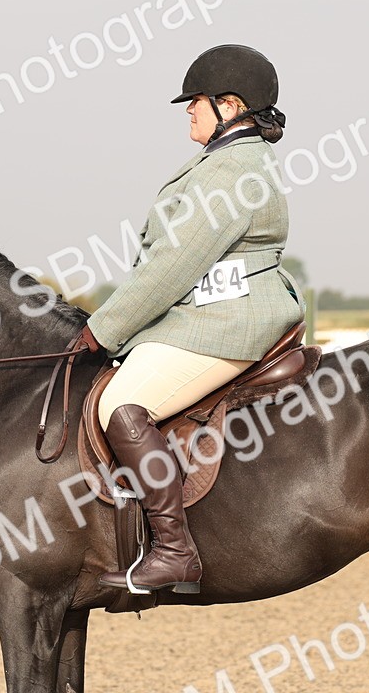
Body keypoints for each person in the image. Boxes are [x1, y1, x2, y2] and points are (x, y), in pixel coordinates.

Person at [74, 44, 305, 594]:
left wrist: (101, 330)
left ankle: (176, 552)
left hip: (226, 321)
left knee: (119, 405)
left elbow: (169, 270)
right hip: (209, 315)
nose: (188, 110)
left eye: (195, 101)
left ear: (230, 105)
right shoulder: (225, 162)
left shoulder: (230, 172)